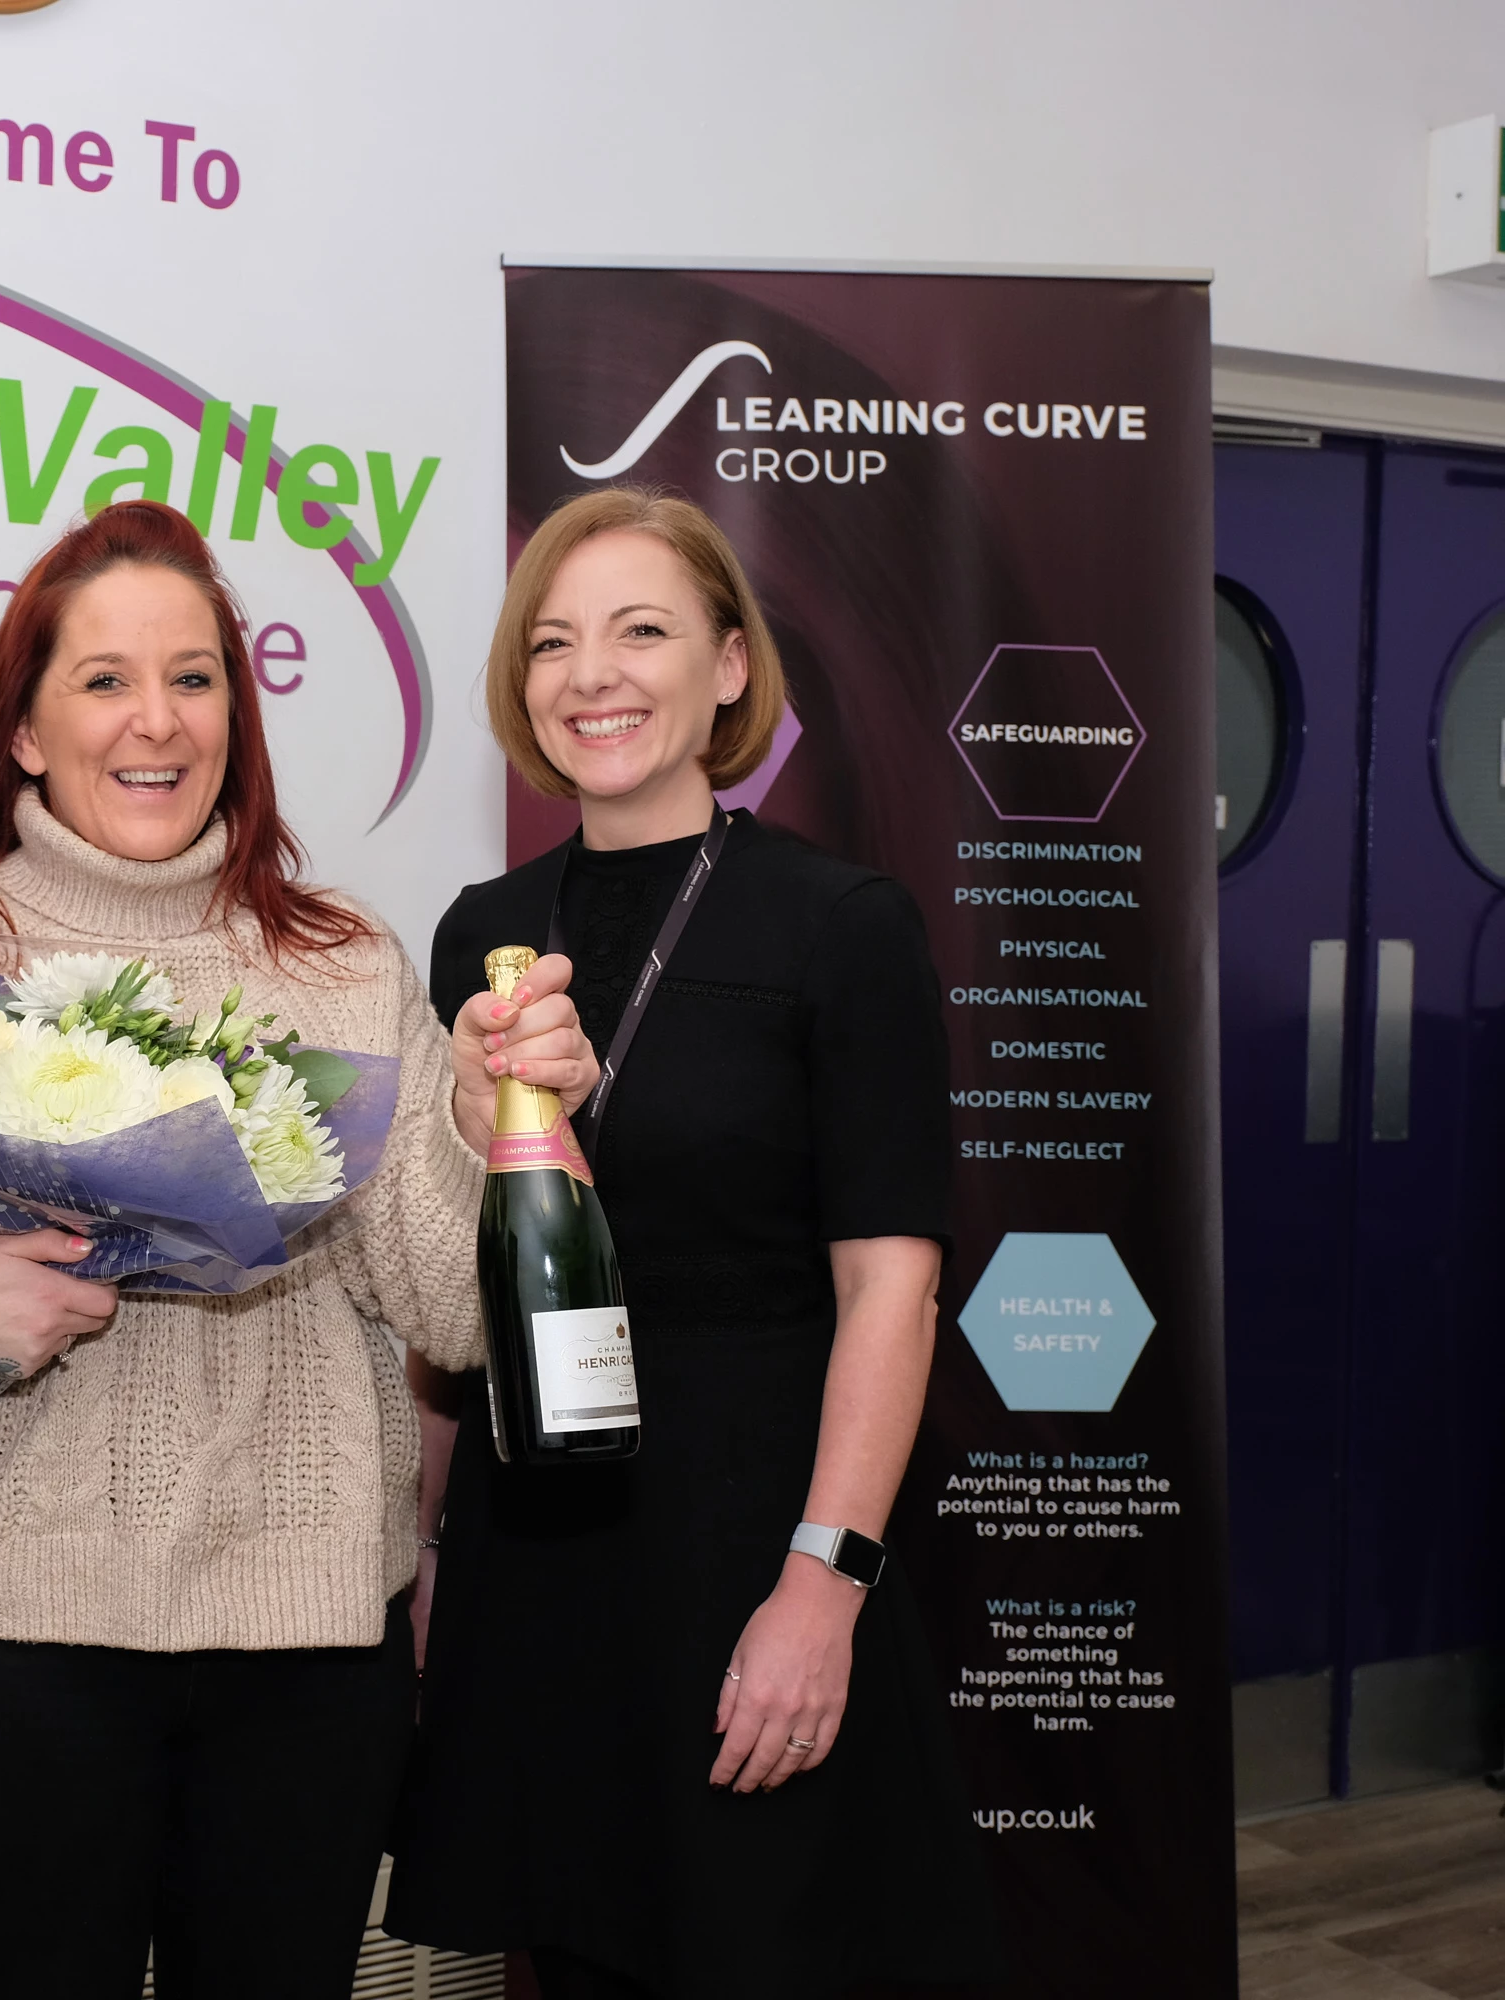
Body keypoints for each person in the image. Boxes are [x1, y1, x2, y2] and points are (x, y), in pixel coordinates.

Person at [0, 498, 591, 2000]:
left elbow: (462, 1319)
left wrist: (478, 1124)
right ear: (22, 728)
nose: (159, 721)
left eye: (197, 678)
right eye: (105, 680)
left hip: (303, 1668)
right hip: (4, 1657)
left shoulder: (344, 964)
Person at [384, 487, 1002, 1997]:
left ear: (731, 666)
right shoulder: (483, 932)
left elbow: (893, 1289)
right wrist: (424, 1544)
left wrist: (823, 1586)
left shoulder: (838, 925)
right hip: (540, 1556)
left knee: (765, 1950)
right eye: (553, 643)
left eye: (641, 630)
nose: (592, 674)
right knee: (574, 1962)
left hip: (750, 1543)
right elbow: (449, 1268)